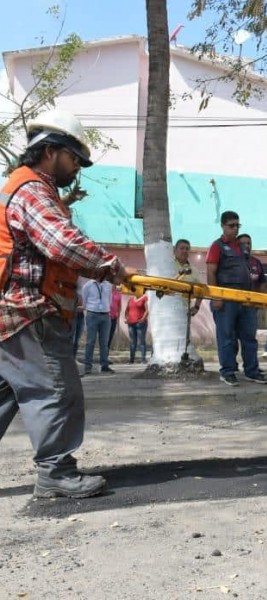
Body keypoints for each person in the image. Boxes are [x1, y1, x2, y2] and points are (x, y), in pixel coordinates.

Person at [0, 108, 134, 498]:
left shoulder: (22, 189)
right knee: (57, 389)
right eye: (74, 158)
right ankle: (56, 472)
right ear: (50, 151)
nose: (77, 167)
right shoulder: (31, 191)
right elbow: (62, 243)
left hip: (9, 313)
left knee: (8, 391)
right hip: (29, 311)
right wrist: (110, 266)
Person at [206, 212, 267, 386]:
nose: (235, 229)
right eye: (231, 225)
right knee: (226, 337)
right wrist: (216, 296)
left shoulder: (242, 248)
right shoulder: (216, 246)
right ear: (223, 226)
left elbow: (253, 273)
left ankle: (252, 371)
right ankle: (227, 372)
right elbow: (211, 272)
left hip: (246, 300)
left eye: (237, 226)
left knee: (249, 338)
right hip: (226, 299)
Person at [82, 276, 114, 375]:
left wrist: (107, 309)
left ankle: (104, 365)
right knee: (90, 341)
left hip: (105, 315)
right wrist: (89, 308)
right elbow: (84, 300)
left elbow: (110, 299)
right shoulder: (88, 285)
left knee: (104, 342)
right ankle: (88, 366)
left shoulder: (108, 285)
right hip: (92, 314)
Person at [174, 238, 203, 316]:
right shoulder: (167, 265)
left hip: (184, 312)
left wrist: (196, 307)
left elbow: (201, 290)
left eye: (187, 249)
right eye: (182, 248)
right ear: (175, 250)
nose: (184, 251)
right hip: (166, 310)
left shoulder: (194, 270)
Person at [125, 293, 149, 364]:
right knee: (132, 342)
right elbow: (127, 310)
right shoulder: (131, 299)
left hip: (140, 324)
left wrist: (143, 319)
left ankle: (143, 359)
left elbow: (147, 310)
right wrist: (127, 318)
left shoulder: (144, 298)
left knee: (141, 341)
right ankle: (131, 360)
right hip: (131, 324)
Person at [108, 284, 122, 353]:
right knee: (105, 336)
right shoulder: (107, 292)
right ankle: (103, 354)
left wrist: (118, 315)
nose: (113, 285)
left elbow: (119, 306)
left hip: (114, 318)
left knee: (110, 336)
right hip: (107, 317)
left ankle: (106, 355)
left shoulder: (119, 294)